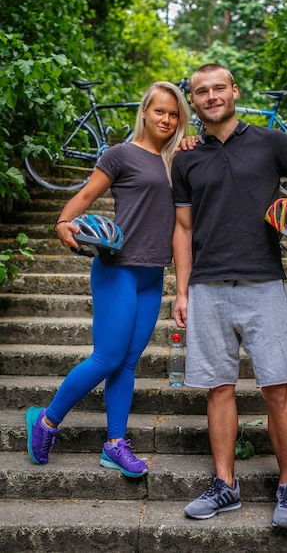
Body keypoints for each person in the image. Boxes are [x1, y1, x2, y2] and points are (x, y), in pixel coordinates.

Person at [171, 64, 287, 527]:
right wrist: (181, 292)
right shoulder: (185, 157)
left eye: (218, 87)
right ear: (194, 101)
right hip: (206, 286)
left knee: (277, 390)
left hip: (265, 283)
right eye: (201, 91)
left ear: (234, 90)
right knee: (218, 390)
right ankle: (225, 485)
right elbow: (182, 228)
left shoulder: (271, 142)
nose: (211, 96)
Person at [26, 81, 190, 477]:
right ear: (145, 112)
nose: (166, 119)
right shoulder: (120, 154)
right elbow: (84, 197)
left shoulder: (179, 160)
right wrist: (63, 221)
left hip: (152, 274)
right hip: (117, 268)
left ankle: (115, 444)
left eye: (174, 114)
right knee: (108, 357)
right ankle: (46, 421)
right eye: (160, 111)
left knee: (129, 362)